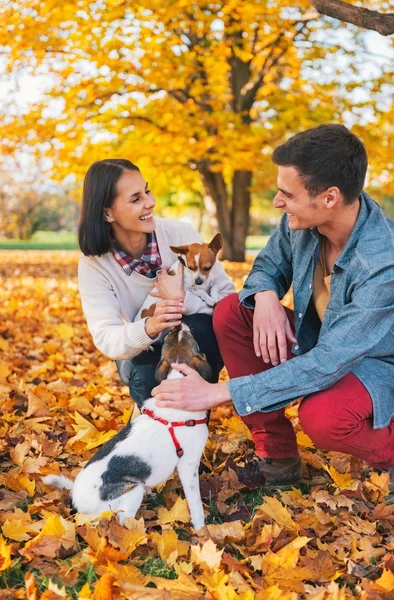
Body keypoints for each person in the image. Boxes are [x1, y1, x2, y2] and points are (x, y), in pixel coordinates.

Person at [151, 124, 394, 488]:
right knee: (233, 310)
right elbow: (267, 267)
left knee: (325, 417)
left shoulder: (381, 263)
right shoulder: (299, 222)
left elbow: (331, 360)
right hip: (318, 339)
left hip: (373, 363)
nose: (278, 203)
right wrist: (265, 296)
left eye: (287, 194)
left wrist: (220, 392)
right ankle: (276, 455)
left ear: (329, 198)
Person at [78, 159, 235, 408]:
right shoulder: (95, 265)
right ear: (108, 213)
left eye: (147, 191)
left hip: (194, 337)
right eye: (135, 199)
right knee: (147, 379)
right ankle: (151, 420)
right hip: (144, 346)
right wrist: (150, 326)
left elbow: (227, 299)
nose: (150, 202)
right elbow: (107, 337)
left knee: (199, 333)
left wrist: (181, 300)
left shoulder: (179, 233)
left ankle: (194, 414)